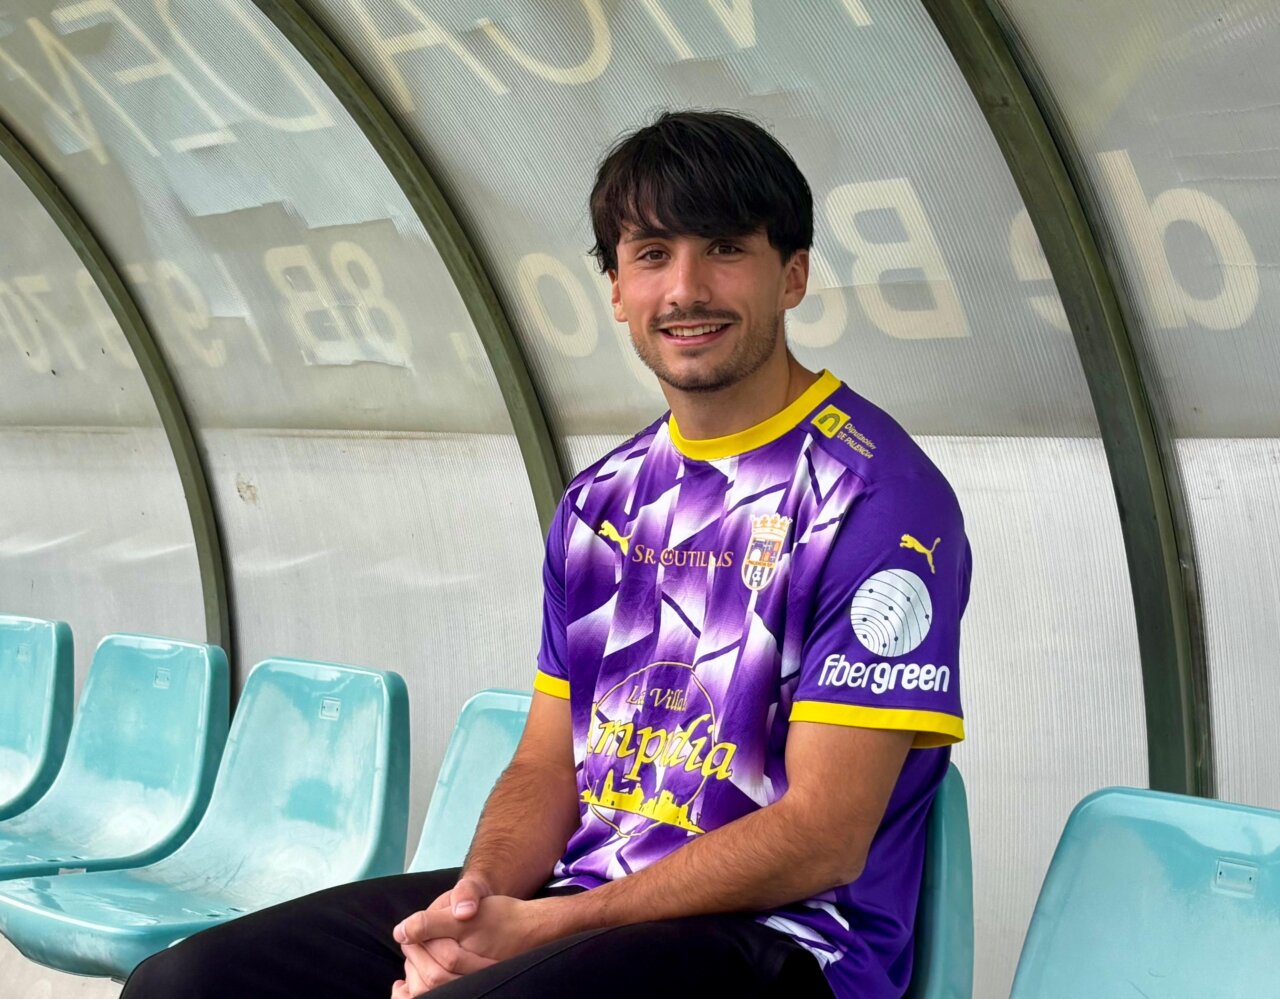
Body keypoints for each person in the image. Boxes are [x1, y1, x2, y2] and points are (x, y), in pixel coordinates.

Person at [121, 109, 970, 999]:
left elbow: (824, 834)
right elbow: (544, 763)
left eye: (724, 249)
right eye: (650, 255)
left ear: (791, 274)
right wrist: (475, 902)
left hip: (785, 945)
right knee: (189, 984)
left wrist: (549, 925)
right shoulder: (602, 502)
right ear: (614, 288)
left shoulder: (875, 498)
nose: (685, 289)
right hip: (588, 903)